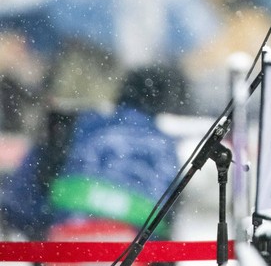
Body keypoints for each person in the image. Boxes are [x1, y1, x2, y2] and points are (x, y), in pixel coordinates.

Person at [0, 64, 186, 243]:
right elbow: (167, 222)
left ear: (122, 91)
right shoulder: (164, 147)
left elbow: (21, 198)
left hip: (65, 238)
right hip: (131, 248)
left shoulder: (80, 123)